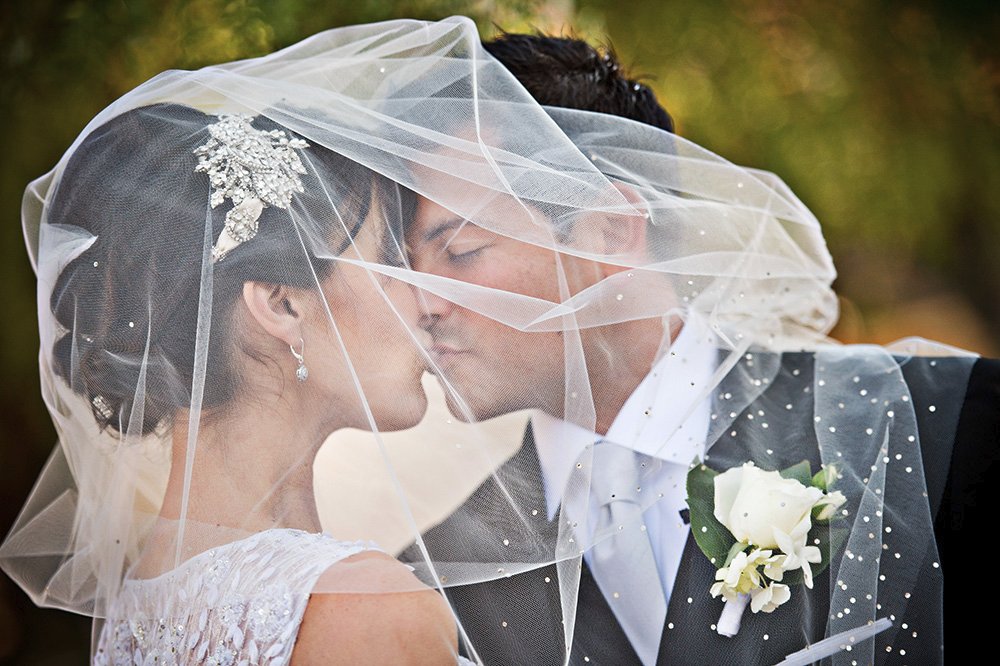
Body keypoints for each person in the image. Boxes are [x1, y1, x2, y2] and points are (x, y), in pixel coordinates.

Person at [401, 30, 1000, 665]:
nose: (419, 304)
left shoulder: (950, 422)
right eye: (399, 274)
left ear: (609, 228)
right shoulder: (426, 591)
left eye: (460, 251)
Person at [0, 22, 504, 665]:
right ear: (282, 303)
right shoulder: (363, 609)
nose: (429, 300)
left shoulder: (139, 608)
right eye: (391, 260)